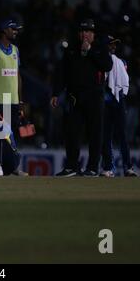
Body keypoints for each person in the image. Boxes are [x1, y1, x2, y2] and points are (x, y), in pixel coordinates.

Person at [51, 19, 113, 177]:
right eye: (82, 31)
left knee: (95, 134)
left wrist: (90, 50)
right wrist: (56, 93)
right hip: (75, 98)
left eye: (88, 31)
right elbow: (62, 73)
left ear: (93, 34)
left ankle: (92, 167)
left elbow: (107, 66)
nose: (85, 34)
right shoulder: (71, 49)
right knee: (72, 133)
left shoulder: (100, 48)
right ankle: (72, 166)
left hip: (94, 97)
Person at [0, 18, 26, 176]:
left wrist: (20, 99)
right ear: (4, 30)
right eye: (13, 29)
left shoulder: (15, 50)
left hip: (13, 101)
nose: (15, 31)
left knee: (12, 135)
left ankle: (13, 166)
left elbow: (18, 76)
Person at [101, 36, 138, 177]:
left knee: (122, 135)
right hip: (105, 102)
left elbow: (122, 81)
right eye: (111, 44)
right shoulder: (99, 61)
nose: (113, 47)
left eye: (115, 45)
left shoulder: (121, 62)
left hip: (118, 101)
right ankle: (108, 167)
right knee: (106, 136)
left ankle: (128, 167)